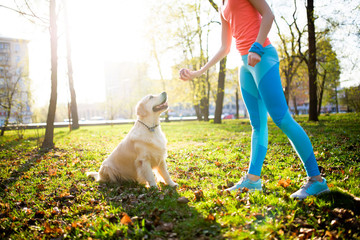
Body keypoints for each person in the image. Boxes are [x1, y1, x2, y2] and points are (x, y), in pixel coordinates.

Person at [179, 0, 329, 199]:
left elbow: (268, 14)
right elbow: (225, 47)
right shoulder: (222, 5)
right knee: (257, 125)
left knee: (282, 119)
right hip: (245, 63)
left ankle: (317, 180)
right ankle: (252, 180)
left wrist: (257, 46)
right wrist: (199, 71)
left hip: (262, 56)